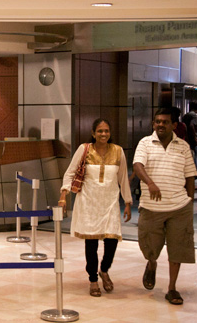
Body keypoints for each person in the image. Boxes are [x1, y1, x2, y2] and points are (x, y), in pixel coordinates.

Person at [59, 118, 132, 297]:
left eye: (106, 131)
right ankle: (93, 279)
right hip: (88, 203)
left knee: (112, 241)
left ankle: (104, 269)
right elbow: (70, 172)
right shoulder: (84, 149)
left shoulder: (118, 151)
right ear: (93, 133)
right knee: (91, 244)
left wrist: (128, 202)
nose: (104, 134)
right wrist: (63, 195)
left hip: (110, 203)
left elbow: (123, 178)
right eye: (100, 131)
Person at [133, 108, 197, 305]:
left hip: (179, 207)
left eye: (165, 122)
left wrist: (189, 200)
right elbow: (137, 166)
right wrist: (150, 183)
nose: (160, 125)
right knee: (149, 247)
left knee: (177, 249)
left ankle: (172, 288)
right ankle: (151, 264)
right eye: (157, 122)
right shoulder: (145, 143)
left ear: (174, 125)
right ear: (153, 124)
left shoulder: (183, 146)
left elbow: (189, 175)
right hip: (151, 208)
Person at [182, 101, 197, 175]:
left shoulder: (186, 115)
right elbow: (192, 126)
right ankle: (196, 173)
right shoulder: (194, 116)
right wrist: (196, 140)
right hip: (193, 139)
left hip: (187, 139)